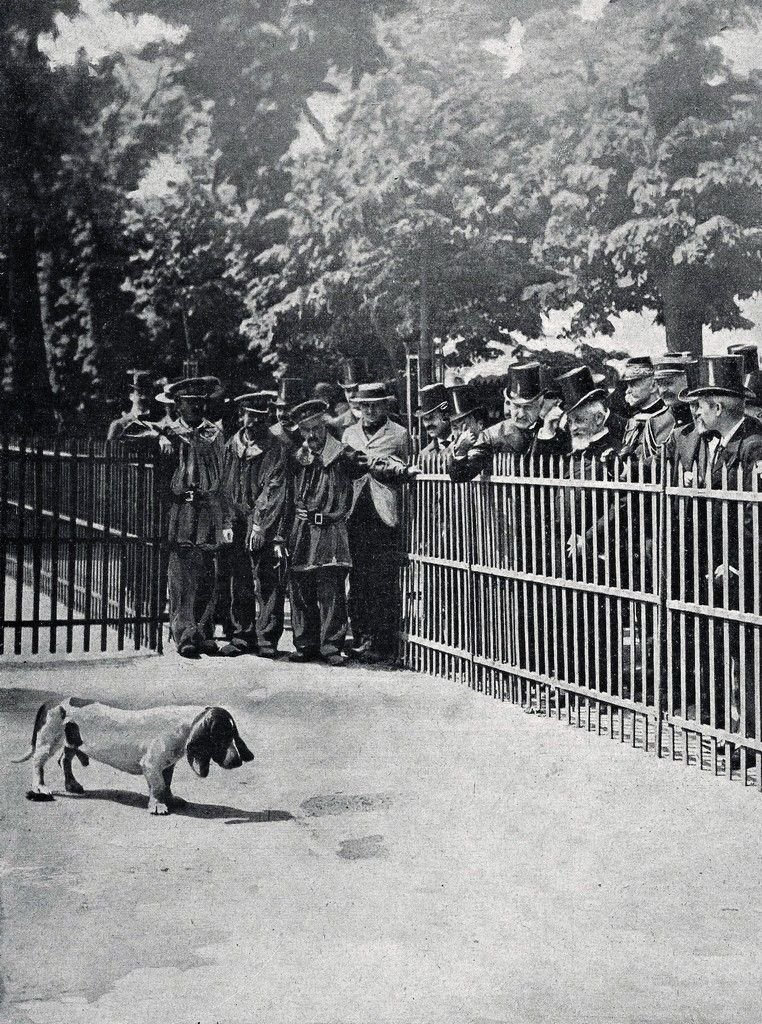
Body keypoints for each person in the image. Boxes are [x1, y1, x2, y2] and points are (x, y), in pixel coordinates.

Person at [670, 355, 762, 749]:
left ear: (718, 407)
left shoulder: (753, 444)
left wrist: (737, 561)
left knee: (746, 650)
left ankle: (747, 734)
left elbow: (753, 514)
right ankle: (730, 726)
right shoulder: (711, 442)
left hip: (744, 566)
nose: (693, 412)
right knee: (722, 644)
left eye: (699, 405)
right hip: (712, 564)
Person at [285, 398, 419, 666]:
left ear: (325, 427)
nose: (312, 436)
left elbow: (370, 463)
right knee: (300, 586)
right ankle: (305, 644)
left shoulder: (342, 452)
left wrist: (402, 469)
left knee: (331, 586)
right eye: (306, 431)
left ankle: (331, 646)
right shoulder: (297, 456)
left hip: (330, 528)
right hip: (302, 528)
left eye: (317, 430)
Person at [156, 376, 233, 658]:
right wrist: (159, 436)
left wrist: (225, 522)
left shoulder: (215, 433)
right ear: (177, 405)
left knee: (207, 574)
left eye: (201, 402)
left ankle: (204, 631)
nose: (197, 407)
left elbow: (224, 480)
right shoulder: (168, 430)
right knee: (181, 574)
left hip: (209, 509)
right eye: (190, 403)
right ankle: (184, 634)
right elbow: (126, 431)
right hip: (182, 511)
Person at [342, 382, 413, 662]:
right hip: (355, 512)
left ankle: (384, 641)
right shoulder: (349, 434)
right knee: (358, 578)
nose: (370, 410)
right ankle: (361, 636)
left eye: (375, 405)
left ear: (385, 405)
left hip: (385, 513)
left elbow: (408, 478)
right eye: (364, 405)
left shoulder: (399, 434)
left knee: (383, 578)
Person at [219, 391, 289, 659]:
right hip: (235, 520)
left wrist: (259, 526)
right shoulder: (230, 447)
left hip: (263, 521)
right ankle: (241, 636)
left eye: (262, 419)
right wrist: (226, 521)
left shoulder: (276, 448)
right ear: (241, 417)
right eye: (251, 418)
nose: (255, 424)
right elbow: (222, 487)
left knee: (268, 580)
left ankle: (267, 639)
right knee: (239, 579)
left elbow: (273, 488)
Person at [449, 363, 548, 482]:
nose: (521, 414)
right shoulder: (491, 436)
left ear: (541, 405)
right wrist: (461, 450)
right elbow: (461, 475)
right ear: (509, 404)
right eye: (516, 406)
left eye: (528, 407)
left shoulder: (554, 432)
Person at [618, 356, 667, 459]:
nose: (628, 391)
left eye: (633, 385)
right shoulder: (633, 420)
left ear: (653, 386)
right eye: (627, 386)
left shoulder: (665, 417)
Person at [107, 369, 154, 440]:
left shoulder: (153, 421)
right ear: (131, 396)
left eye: (146, 393)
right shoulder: (119, 424)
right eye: (139, 393)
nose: (143, 397)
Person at [417, 383, 454, 457]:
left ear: (446, 415)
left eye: (431, 418)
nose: (427, 425)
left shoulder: (465, 442)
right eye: (425, 419)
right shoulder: (424, 455)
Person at [270, 377, 305, 451]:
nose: (282, 414)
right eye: (279, 409)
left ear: (300, 409)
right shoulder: (271, 434)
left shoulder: (308, 432)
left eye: (287, 409)